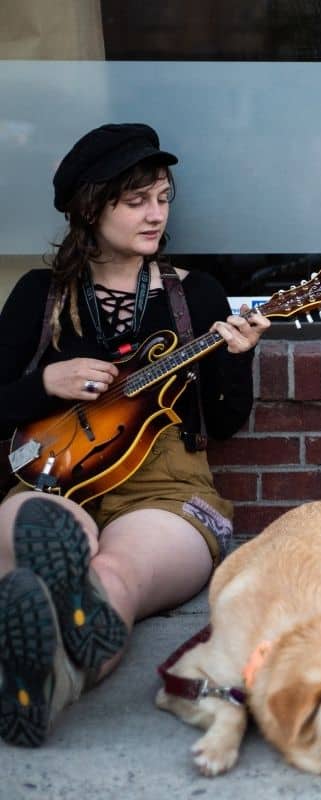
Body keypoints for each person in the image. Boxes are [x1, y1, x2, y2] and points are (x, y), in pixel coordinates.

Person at [0, 123, 269, 747]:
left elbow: (225, 423)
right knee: (45, 542)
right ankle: (45, 606)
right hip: (52, 473)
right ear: (90, 208)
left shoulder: (193, 296)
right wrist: (47, 383)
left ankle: (43, 682)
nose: (156, 215)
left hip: (163, 487)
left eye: (163, 197)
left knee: (115, 575)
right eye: (136, 201)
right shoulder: (40, 296)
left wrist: (237, 356)